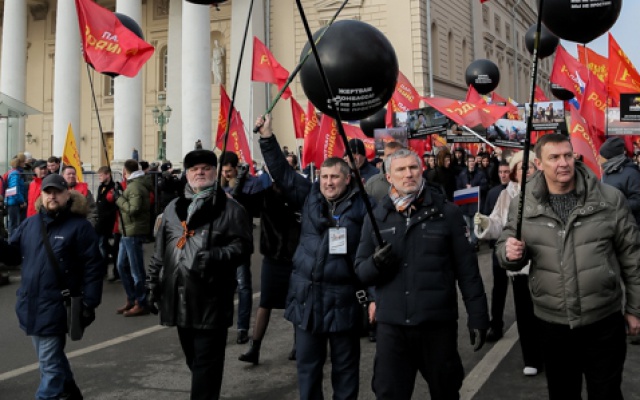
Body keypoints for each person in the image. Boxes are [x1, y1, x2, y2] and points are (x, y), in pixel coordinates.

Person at [497, 134, 640, 400]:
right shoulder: (524, 203)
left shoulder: (610, 199)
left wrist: (635, 309)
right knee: (562, 393)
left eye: (567, 155)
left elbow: (632, 257)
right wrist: (509, 253)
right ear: (539, 164)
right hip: (553, 323)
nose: (563, 163)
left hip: (603, 320)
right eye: (554, 157)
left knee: (607, 393)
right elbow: (507, 244)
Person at [355, 148, 489, 399]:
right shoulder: (376, 218)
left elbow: (468, 271)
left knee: (446, 390)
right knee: (389, 393)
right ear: (388, 177)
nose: (409, 174)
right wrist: (375, 263)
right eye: (401, 169)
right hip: (392, 328)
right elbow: (361, 271)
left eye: (413, 167)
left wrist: (479, 316)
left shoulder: (447, 213)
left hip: (436, 325)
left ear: (421, 170)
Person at [257, 114, 368, 400]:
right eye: (325, 177)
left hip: (343, 300)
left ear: (347, 179)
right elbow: (282, 173)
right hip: (307, 299)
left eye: (335, 177)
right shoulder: (309, 197)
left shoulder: (364, 208)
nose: (329, 182)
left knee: (345, 370)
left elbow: (373, 254)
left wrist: (373, 297)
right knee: (307, 369)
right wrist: (267, 138)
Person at [147, 149, 253, 400]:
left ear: (215, 172)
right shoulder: (173, 209)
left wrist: (216, 255)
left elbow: (243, 247)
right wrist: (151, 283)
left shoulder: (230, 208)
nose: (200, 173)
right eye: (194, 169)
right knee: (194, 361)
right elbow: (160, 252)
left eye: (206, 168)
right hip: (178, 300)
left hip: (211, 300)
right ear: (187, 174)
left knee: (206, 365)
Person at [0, 173, 103, 400]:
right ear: (41, 195)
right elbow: (13, 255)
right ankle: (71, 394)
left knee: (49, 364)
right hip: (30, 304)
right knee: (51, 359)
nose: (52, 196)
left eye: (58, 191)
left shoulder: (80, 227)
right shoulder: (30, 223)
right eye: (48, 192)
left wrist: (89, 303)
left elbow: (93, 267)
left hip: (57, 306)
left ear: (67, 195)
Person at [474, 152, 544, 376]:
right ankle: (531, 357)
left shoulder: (547, 191)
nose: (525, 171)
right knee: (524, 313)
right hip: (519, 266)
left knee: (545, 312)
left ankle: (549, 353)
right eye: (520, 168)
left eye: (529, 166)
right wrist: (486, 223)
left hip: (545, 263)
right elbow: (498, 224)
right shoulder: (506, 195)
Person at [219, 151, 262, 344]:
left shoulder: (250, 183)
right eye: (223, 171)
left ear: (236, 168)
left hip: (241, 240)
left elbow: (253, 210)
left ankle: (242, 327)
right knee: (223, 286)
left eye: (229, 171)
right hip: (221, 241)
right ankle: (221, 324)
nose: (226, 174)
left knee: (243, 285)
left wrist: (240, 186)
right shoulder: (217, 185)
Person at [476, 159, 510, 342]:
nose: (503, 175)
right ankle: (496, 324)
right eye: (501, 172)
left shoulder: (519, 190)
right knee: (499, 288)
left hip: (518, 247)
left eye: (507, 172)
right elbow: (489, 217)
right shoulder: (493, 193)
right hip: (499, 247)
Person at [113, 159, 152, 317]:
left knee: (136, 270)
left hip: (133, 231)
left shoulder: (135, 186)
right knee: (121, 265)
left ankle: (141, 302)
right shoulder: (133, 185)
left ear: (125, 171)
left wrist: (119, 198)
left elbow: (133, 209)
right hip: (127, 231)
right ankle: (132, 297)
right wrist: (120, 194)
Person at [599, 136, 640, 226]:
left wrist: (616, 205)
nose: (599, 158)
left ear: (610, 157)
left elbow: (637, 201)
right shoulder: (607, 172)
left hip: (628, 226)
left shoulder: (632, 173)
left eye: (601, 156)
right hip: (611, 224)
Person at [456, 155, 489, 251]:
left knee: (475, 226)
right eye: (469, 161)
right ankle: (469, 243)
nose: (471, 163)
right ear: (466, 163)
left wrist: (473, 188)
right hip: (465, 205)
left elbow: (485, 187)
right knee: (467, 226)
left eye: (472, 161)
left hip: (476, 205)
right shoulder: (462, 174)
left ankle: (474, 243)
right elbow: (458, 188)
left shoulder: (480, 173)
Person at [95, 166, 119, 281]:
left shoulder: (113, 188)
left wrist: (107, 215)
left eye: (101, 175)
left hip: (109, 222)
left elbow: (115, 206)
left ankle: (104, 269)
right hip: (100, 221)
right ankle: (103, 268)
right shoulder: (101, 187)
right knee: (102, 245)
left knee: (103, 246)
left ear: (108, 175)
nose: (99, 177)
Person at [6, 154, 27, 235]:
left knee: (14, 224)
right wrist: (22, 201)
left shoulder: (14, 172)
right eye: (24, 162)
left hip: (13, 201)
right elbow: (14, 190)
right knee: (14, 225)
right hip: (14, 203)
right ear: (20, 163)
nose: (25, 164)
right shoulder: (15, 174)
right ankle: (13, 240)